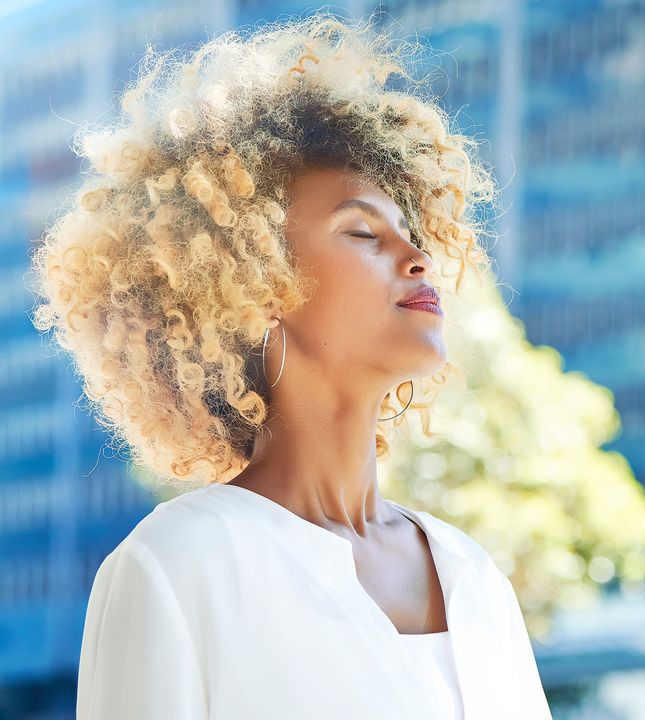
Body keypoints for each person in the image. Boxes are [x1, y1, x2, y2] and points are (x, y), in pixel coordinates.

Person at [29, 12, 552, 719]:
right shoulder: (179, 566)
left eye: (411, 233)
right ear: (253, 285)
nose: (416, 257)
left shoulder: (473, 576)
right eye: (362, 231)